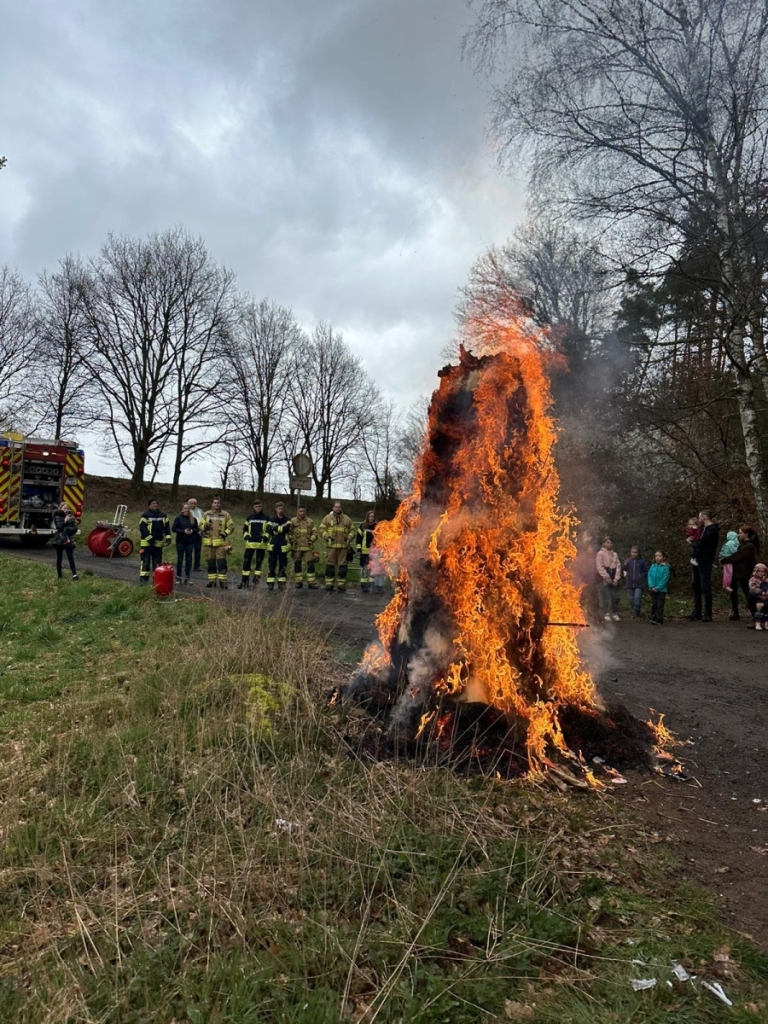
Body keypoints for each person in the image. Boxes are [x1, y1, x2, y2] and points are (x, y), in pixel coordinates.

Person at [721, 526, 760, 621]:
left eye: (741, 533)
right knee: (733, 591)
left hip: (744, 572)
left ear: (746, 534)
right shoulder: (742, 545)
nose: (739, 535)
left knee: (748, 592)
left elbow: (738, 556)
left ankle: (755, 613)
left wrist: (725, 560)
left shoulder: (749, 546)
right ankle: (735, 611)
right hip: (737, 571)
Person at [689, 510, 719, 622]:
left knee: (705, 586)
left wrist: (692, 544)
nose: (698, 519)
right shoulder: (702, 530)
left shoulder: (712, 530)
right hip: (698, 559)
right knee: (695, 584)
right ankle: (697, 611)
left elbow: (703, 543)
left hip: (705, 561)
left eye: (700, 517)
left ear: (704, 517)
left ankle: (708, 612)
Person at [320, 501, 356, 593]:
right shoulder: (327, 518)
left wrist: (349, 538)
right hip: (331, 547)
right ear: (333, 508)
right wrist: (327, 537)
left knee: (343, 568)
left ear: (341, 508)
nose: (337, 508)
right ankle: (329, 585)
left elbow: (352, 530)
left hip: (343, 548)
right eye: (336, 507)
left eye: (339, 507)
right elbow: (321, 529)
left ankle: (341, 586)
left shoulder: (347, 519)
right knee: (330, 567)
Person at [201, 497, 234, 588]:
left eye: (218, 503)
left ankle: (223, 582)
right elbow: (200, 526)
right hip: (209, 543)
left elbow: (231, 526)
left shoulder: (225, 514)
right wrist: (205, 526)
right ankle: (212, 581)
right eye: (215, 503)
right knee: (211, 562)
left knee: (222, 563)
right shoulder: (206, 514)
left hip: (220, 543)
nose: (217, 504)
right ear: (212, 504)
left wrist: (225, 534)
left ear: (220, 504)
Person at [239, 499, 270, 588]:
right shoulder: (249, 518)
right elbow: (244, 529)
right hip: (250, 544)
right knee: (246, 562)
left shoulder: (266, 518)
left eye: (260, 506)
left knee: (259, 564)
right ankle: (244, 581)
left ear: (262, 507)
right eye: (256, 506)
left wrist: (266, 537)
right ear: (253, 507)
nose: (258, 508)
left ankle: (256, 582)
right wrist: (246, 536)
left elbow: (269, 529)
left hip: (261, 544)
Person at [138, 499, 171, 584]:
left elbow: (167, 527)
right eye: (153, 503)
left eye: (156, 503)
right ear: (149, 505)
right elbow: (142, 528)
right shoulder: (145, 515)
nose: (155, 505)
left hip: (158, 542)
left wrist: (168, 537)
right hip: (146, 543)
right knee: (145, 561)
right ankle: (143, 580)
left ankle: (156, 579)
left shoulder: (163, 515)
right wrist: (150, 539)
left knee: (157, 562)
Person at [290, 506, 318, 588]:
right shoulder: (292, 521)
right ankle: (298, 582)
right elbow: (288, 533)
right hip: (297, 547)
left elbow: (315, 533)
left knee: (311, 565)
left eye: (303, 511)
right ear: (297, 512)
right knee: (297, 565)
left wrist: (311, 540)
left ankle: (311, 582)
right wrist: (292, 540)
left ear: (306, 512)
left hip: (307, 547)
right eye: (300, 511)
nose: (302, 513)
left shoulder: (310, 522)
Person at [596, 537, 622, 621]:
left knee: (614, 596)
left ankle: (615, 613)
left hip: (613, 573)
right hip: (605, 574)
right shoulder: (600, 553)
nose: (609, 544)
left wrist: (616, 579)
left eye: (611, 543)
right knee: (605, 595)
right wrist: (606, 577)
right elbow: (599, 566)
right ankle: (606, 613)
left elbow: (618, 566)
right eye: (607, 542)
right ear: (604, 543)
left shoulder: (615, 554)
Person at [266, 501, 291, 590]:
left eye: (282, 509)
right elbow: (268, 530)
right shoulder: (272, 519)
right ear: (276, 509)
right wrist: (280, 529)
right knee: (272, 564)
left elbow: (287, 529)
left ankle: (281, 583)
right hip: (273, 545)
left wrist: (276, 529)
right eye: (279, 508)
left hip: (283, 545)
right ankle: (270, 583)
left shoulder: (287, 519)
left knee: (283, 564)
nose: (280, 510)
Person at [172, 502, 199, 584]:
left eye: (188, 508)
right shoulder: (178, 518)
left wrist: (192, 531)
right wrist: (183, 531)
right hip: (180, 541)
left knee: (189, 559)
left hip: (190, 542)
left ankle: (187, 577)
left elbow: (197, 529)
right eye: (185, 508)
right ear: (182, 509)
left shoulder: (193, 519)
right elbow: (174, 529)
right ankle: (178, 577)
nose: (187, 510)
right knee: (180, 559)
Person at [52, 502, 78, 580]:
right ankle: (59, 576)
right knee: (59, 558)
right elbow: (59, 527)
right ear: (60, 509)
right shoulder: (58, 516)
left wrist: (68, 530)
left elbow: (74, 528)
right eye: (64, 508)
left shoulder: (71, 517)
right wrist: (65, 521)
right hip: (59, 540)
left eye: (67, 508)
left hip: (68, 539)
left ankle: (74, 575)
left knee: (70, 557)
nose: (66, 510)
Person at [356, 510, 377, 593]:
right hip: (364, 552)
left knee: (373, 569)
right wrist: (358, 548)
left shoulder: (377, 526)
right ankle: (364, 586)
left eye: (373, 517)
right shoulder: (363, 526)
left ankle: (371, 586)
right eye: (370, 516)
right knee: (364, 569)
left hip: (374, 552)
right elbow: (358, 538)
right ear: (367, 517)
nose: (371, 518)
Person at [623, 546, 648, 617]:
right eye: (632, 552)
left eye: (635, 552)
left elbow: (645, 571)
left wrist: (640, 576)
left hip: (638, 584)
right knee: (631, 599)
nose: (633, 554)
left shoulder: (642, 561)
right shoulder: (628, 561)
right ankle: (634, 610)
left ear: (639, 553)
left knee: (637, 598)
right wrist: (624, 564)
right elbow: (624, 569)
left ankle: (636, 614)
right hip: (629, 583)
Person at [647, 550, 671, 624]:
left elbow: (665, 578)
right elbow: (649, 576)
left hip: (661, 590)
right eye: (656, 556)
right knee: (654, 603)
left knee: (660, 604)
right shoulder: (652, 566)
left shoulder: (666, 567)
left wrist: (658, 588)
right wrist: (652, 586)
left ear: (663, 557)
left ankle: (659, 619)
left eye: (659, 556)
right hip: (652, 589)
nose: (657, 557)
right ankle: (653, 618)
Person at [748, 563, 768, 630]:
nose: (761, 573)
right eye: (759, 571)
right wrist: (761, 592)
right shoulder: (753, 579)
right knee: (760, 606)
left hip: (766, 597)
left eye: (763, 571)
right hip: (757, 597)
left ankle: (766, 622)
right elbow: (752, 588)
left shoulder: (766, 580)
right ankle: (757, 622)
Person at [187, 497, 203, 571]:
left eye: (194, 503)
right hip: (189, 534)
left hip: (198, 533)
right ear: (188, 504)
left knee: (198, 551)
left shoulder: (200, 511)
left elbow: (203, 520)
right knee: (189, 551)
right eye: (191, 503)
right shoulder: (186, 511)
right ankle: (188, 566)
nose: (193, 505)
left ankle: (197, 566)